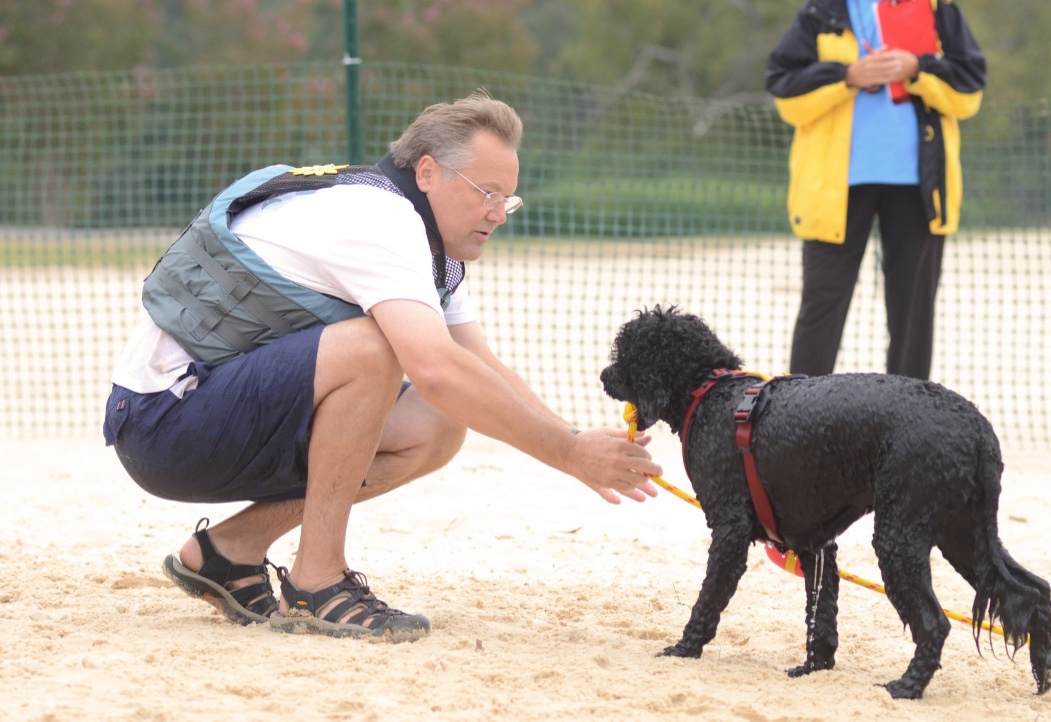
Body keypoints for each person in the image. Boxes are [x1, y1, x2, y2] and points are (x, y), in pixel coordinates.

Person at [102, 91, 661, 641]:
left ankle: (228, 552)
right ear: (426, 172)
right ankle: (317, 580)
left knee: (437, 425)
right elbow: (436, 368)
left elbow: (480, 368)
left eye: (507, 199)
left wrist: (576, 439)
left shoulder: (420, 237)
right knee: (376, 348)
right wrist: (567, 455)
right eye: (487, 193)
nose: (498, 213)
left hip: (206, 418)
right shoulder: (381, 218)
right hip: (163, 426)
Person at [766, 0, 986, 379]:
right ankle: (797, 419)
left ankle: (908, 420)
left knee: (913, 315)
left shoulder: (937, 8)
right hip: (835, 189)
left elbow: (969, 93)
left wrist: (917, 67)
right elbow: (785, 93)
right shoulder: (822, 11)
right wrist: (848, 75)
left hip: (919, 187)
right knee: (822, 306)